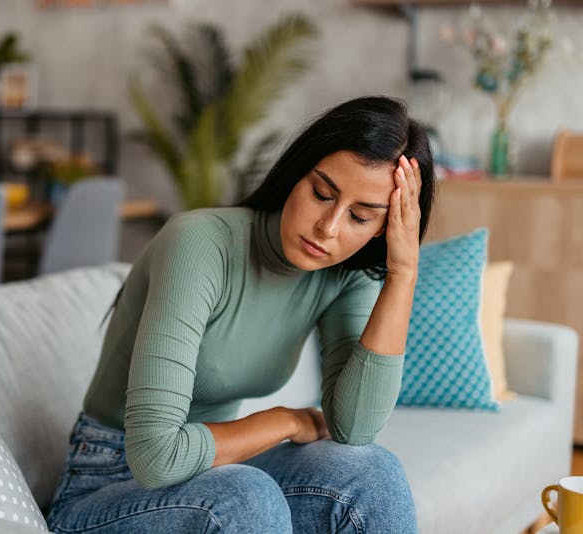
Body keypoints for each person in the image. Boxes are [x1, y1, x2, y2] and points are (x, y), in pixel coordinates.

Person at [47, 96, 435, 533]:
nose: (328, 228)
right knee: (246, 495)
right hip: (109, 480)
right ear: (296, 173)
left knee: (373, 474)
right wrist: (288, 420)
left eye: (360, 217)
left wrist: (403, 273)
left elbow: (355, 430)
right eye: (322, 194)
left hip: (214, 473)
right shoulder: (200, 244)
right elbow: (156, 457)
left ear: (383, 227)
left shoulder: (346, 274)